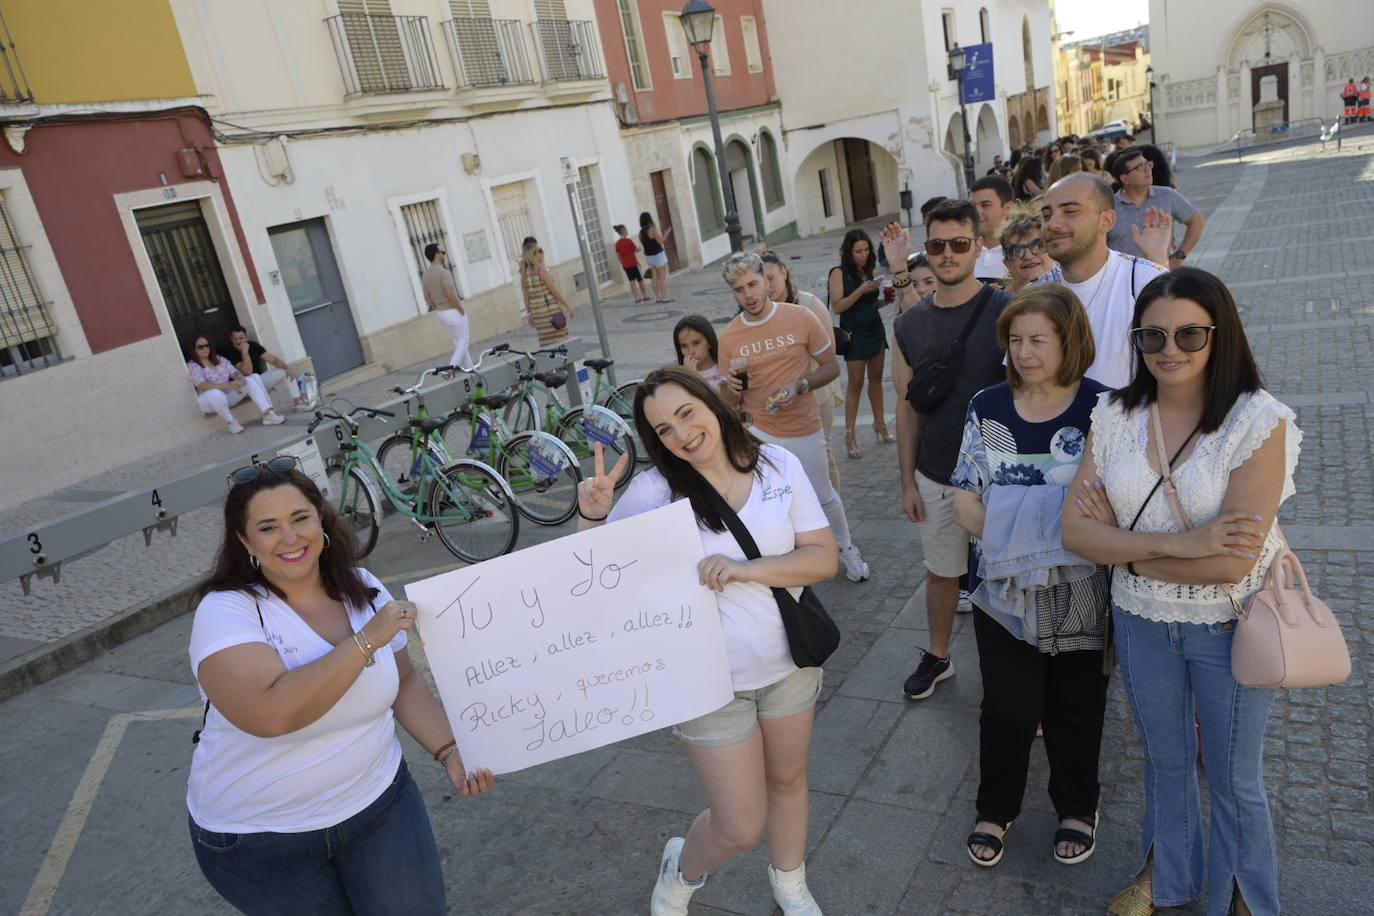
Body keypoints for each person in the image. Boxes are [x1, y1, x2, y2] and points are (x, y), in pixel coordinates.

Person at [1062, 268, 1299, 916]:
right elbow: (1075, 531)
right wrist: (1189, 543)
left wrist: (1130, 556)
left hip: (1229, 623)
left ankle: (1247, 900)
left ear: (1220, 336)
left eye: (1190, 334)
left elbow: (1232, 564)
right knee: (1165, 765)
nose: (1171, 349)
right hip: (1141, 625)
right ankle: (1167, 879)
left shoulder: (1257, 422)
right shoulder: (1114, 413)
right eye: (1153, 336)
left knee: (1232, 779)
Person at [575, 368, 838, 916]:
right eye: (663, 430)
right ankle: (684, 870)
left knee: (788, 780)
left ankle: (789, 882)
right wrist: (592, 516)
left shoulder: (777, 465)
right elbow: (594, 575)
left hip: (789, 664)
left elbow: (822, 558)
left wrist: (745, 570)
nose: (681, 434)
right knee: (739, 825)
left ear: (709, 403)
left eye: (686, 413)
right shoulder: (653, 491)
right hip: (705, 683)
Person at [186, 459, 494, 914]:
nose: (290, 538)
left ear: (321, 519)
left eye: (300, 518)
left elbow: (404, 680)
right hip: (262, 839)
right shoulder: (225, 612)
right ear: (245, 541)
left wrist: (450, 750)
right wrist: (368, 639)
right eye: (268, 527)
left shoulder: (363, 587)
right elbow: (273, 715)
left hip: (379, 806)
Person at [951, 284, 1111, 869]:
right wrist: (1027, 542)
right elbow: (967, 498)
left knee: (1078, 703)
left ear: (1069, 342)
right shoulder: (989, 407)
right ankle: (995, 808)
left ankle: (1077, 805)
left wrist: (1024, 524)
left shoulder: (1104, 408)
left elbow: (1118, 503)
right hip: (1003, 587)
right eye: (1015, 340)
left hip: (1083, 586)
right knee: (1008, 708)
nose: (1023, 351)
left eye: (1037, 339)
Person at [882, 201, 1010, 701]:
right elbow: (908, 407)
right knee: (941, 574)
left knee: (1006, 577)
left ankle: (1010, 668)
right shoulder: (909, 325)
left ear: (978, 247)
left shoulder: (1007, 311)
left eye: (960, 243)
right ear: (927, 251)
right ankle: (938, 656)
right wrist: (907, 481)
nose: (949, 253)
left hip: (1001, 478)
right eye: (938, 245)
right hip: (937, 474)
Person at [719, 251, 871, 583]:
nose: (749, 295)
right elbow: (728, 400)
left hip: (803, 427)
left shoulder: (800, 317)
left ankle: (845, 548)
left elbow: (831, 367)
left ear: (765, 280)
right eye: (739, 289)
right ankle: (786, 561)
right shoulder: (730, 336)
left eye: (753, 284)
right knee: (768, 501)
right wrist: (730, 388)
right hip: (757, 430)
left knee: (823, 493)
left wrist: (799, 385)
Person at [1036, 173, 1169, 389]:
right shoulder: (1034, 296)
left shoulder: (1146, 282)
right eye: (1046, 215)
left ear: (1106, 221)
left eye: (1070, 211)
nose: (1052, 224)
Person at [761, 249, 843, 491]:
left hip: (816, 395)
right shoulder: (762, 314)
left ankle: (834, 518)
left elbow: (830, 351)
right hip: (779, 402)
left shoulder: (809, 304)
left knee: (823, 454)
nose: (767, 285)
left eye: (771, 277)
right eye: (761, 280)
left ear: (784, 272)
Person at [827, 230, 894, 459]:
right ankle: (849, 434)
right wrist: (861, 290)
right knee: (855, 384)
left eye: (866, 250)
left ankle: (880, 424)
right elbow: (838, 306)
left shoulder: (868, 271)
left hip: (875, 331)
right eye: (858, 251)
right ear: (849, 251)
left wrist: (885, 301)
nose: (863, 255)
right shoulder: (838, 273)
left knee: (876, 380)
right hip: (854, 335)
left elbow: (870, 304)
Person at [1108, 148, 1205, 269]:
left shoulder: (1166, 195)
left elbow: (1197, 221)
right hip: (1123, 278)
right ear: (1125, 179)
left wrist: (1179, 256)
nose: (1148, 169)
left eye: (1148, 164)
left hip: (1160, 274)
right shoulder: (1108, 205)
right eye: (1139, 167)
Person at [187, 335, 285, 434]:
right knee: (215, 394)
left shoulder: (218, 359)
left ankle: (268, 414)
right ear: (194, 350)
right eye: (200, 347)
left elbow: (233, 371)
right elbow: (201, 385)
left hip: (226, 396)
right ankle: (231, 422)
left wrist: (240, 378)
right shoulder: (193, 365)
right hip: (209, 402)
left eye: (207, 345)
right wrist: (227, 386)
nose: (205, 348)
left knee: (249, 380)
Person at [420, 243, 471, 370]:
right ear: (437, 255)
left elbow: (427, 298)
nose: (444, 254)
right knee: (463, 342)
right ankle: (450, 369)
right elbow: (450, 295)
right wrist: (460, 309)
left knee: (459, 342)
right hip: (452, 311)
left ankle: (470, 367)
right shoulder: (443, 273)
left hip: (441, 313)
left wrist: (437, 306)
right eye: (442, 252)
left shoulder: (426, 276)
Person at [226, 326, 300, 408]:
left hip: (260, 381)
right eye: (235, 339)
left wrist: (287, 368)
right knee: (254, 376)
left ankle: (299, 402)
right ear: (231, 339)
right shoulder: (229, 352)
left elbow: (274, 360)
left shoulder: (253, 345)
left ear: (246, 338)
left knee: (284, 371)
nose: (238, 341)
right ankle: (270, 410)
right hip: (245, 387)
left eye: (241, 338)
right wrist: (244, 351)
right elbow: (247, 372)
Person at [519, 238, 575, 345]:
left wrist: (530, 314)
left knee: (548, 346)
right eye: (540, 250)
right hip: (551, 315)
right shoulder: (541, 271)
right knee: (562, 344)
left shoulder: (524, 274)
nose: (543, 252)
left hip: (538, 316)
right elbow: (553, 290)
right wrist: (568, 306)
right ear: (533, 254)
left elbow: (526, 297)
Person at [999, 206, 1057, 294]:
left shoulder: (1074, 294)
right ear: (1006, 263)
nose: (1028, 256)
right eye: (1016, 251)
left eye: (1038, 246)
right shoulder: (997, 304)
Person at [969, 175, 1015, 284]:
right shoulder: (961, 250)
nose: (977, 212)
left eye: (985, 205)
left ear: (1007, 208)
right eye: (972, 206)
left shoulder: (1026, 252)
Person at [673, 314, 726, 391]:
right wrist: (690, 377)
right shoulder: (678, 379)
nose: (691, 352)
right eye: (684, 346)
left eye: (696, 343)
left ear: (709, 342)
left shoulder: (726, 365)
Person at [640, 212, 673, 303]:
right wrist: (666, 233)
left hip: (649, 256)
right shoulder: (653, 230)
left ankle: (658, 297)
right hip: (658, 255)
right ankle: (664, 297)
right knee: (662, 277)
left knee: (654, 277)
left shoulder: (640, 233)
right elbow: (661, 241)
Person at [614, 224, 650, 303]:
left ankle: (637, 298)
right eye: (626, 230)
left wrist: (623, 264)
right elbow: (636, 250)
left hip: (626, 266)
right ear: (623, 232)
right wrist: (640, 248)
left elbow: (618, 256)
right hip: (634, 264)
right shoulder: (628, 241)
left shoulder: (617, 243)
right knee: (640, 280)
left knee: (632, 281)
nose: (627, 231)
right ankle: (645, 296)